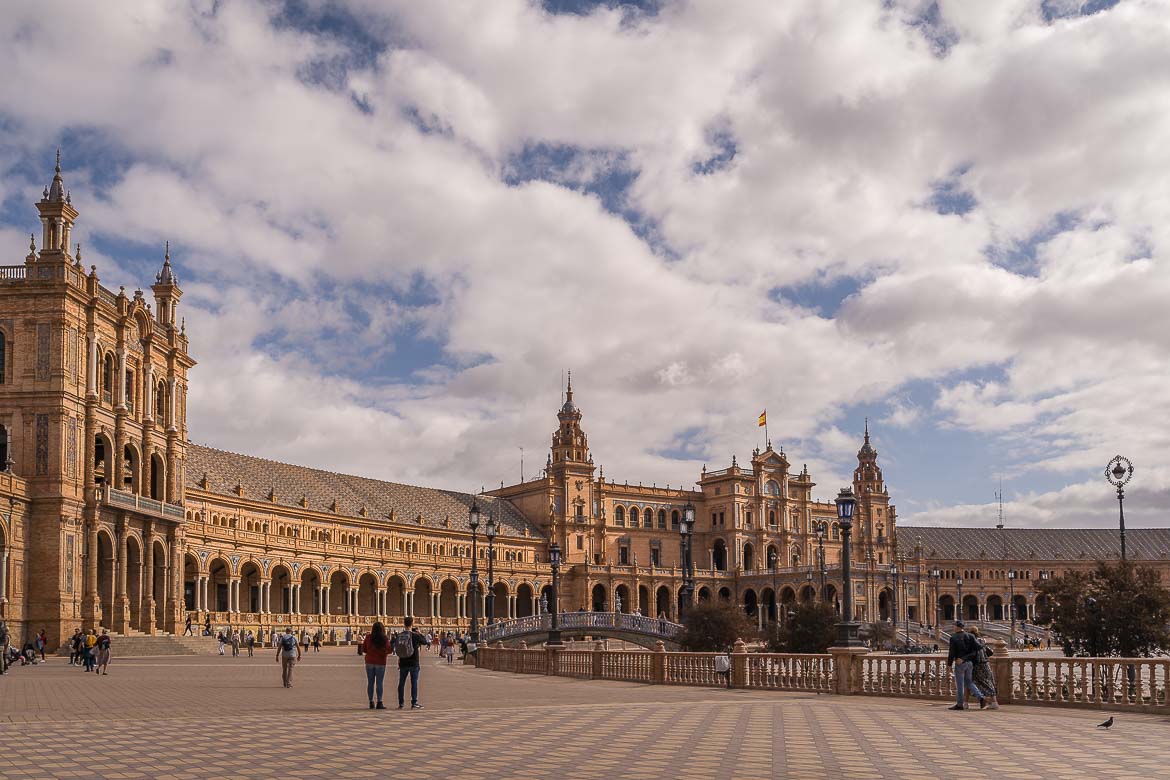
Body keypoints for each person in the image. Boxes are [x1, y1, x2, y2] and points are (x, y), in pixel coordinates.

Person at [946, 621, 985, 710]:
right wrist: (966, 658)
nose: (953, 627)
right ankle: (981, 697)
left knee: (960, 684)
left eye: (954, 626)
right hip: (969, 663)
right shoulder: (970, 636)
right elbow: (979, 648)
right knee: (968, 682)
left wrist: (949, 665)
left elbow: (951, 653)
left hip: (960, 663)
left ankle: (960, 704)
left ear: (957, 627)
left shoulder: (953, 638)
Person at [394, 616, 427, 709]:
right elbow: (425, 642)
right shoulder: (415, 635)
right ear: (412, 623)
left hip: (403, 662)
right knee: (414, 683)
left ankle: (401, 703)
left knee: (401, 683)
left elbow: (397, 648)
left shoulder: (400, 635)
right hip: (413, 662)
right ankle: (414, 703)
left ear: (404, 624)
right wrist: (419, 633)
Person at [362, 621, 393, 709]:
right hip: (380, 662)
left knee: (370, 683)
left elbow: (364, 649)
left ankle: (371, 702)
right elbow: (389, 650)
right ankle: (379, 702)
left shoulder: (368, 637)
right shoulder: (384, 638)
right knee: (379, 682)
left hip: (369, 662)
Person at [968, 627, 1000, 710]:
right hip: (986, 663)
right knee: (988, 681)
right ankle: (992, 701)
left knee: (975, 682)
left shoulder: (972, 641)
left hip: (978, 664)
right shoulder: (982, 640)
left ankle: (987, 700)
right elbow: (990, 652)